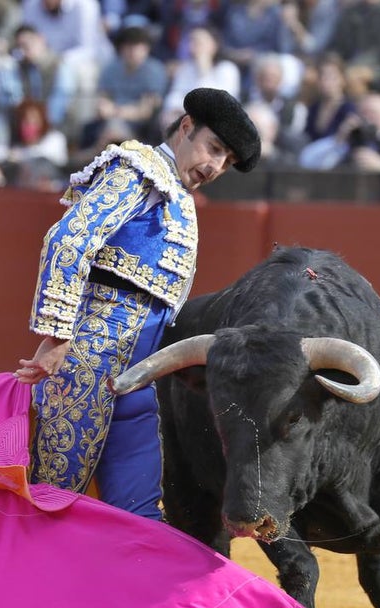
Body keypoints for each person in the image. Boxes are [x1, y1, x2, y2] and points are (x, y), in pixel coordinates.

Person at [15, 87, 260, 519]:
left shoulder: (179, 195)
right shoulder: (138, 170)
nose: (216, 166)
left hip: (140, 380)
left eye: (227, 162)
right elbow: (68, 240)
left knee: (140, 514)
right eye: (215, 148)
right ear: (186, 127)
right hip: (87, 366)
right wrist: (55, 337)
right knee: (51, 499)